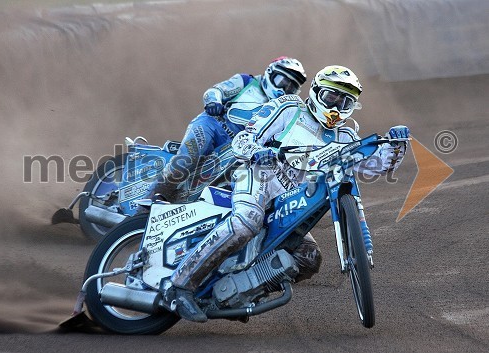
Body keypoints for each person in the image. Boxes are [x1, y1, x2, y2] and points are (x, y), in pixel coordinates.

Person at [165, 65, 410, 322]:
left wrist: (396, 145)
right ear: (316, 91)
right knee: (246, 222)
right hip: (261, 176)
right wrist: (258, 151)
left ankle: (241, 294)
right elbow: (243, 140)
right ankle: (180, 286)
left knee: (309, 258)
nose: (337, 106)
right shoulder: (289, 107)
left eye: (345, 101)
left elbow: (373, 167)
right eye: (331, 97)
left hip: (291, 200)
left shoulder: (346, 134)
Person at [148, 56, 307, 203]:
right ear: (270, 74)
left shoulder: (285, 110)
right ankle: (148, 202)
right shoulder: (247, 82)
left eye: (291, 88)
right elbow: (216, 90)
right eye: (282, 81)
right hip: (213, 124)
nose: (284, 89)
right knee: (189, 157)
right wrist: (213, 101)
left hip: (239, 145)